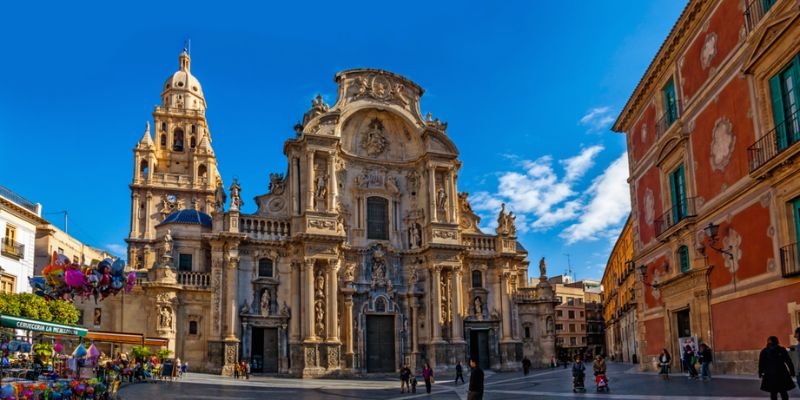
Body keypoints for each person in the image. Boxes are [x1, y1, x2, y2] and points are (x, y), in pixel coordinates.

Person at [759, 336, 796, 400]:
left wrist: (760, 372)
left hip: (770, 374)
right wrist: (792, 371)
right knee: (783, 392)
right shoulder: (781, 349)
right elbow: (788, 361)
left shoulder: (764, 351)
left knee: (773, 393)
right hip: (782, 373)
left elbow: (761, 363)